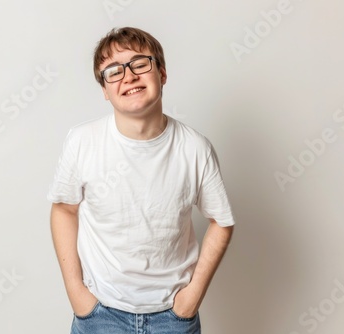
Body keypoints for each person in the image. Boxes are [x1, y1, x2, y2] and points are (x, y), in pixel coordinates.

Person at [48, 27, 235, 334]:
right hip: (100, 315)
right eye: (113, 71)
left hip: (173, 317)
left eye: (140, 64)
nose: (128, 76)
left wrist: (191, 298)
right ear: (105, 90)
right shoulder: (82, 141)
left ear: (162, 73)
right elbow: (64, 209)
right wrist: (76, 293)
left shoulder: (194, 148)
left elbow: (222, 221)